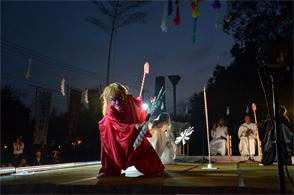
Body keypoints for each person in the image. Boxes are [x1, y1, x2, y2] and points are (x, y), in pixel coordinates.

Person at [97, 83, 164, 178]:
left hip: (132, 134)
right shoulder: (110, 111)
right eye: (113, 100)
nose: (117, 102)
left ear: (124, 95)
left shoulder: (130, 101)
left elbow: (137, 105)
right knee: (107, 130)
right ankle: (109, 169)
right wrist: (133, 127)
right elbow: (118, 125)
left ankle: (156, 168)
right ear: (109, 100)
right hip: (116, 136)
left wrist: (139, 101)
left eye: (120, 98)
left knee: (144, 146)